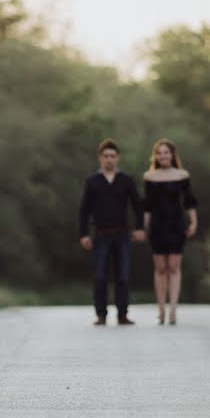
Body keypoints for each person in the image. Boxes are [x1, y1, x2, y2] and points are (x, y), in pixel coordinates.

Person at [78, 138, 145, 326]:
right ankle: (101, 314)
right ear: (100, 158)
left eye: (112, 156)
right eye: (106, 156)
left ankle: (122, 314)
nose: (109, 159)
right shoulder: (92, 181)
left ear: (117, 158)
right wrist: (84, 234)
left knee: (123, 276)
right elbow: (84, 209)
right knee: (100, 276)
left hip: (122, 234)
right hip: (100, 235)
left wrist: (140, 228)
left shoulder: (126, 180)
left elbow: (138, 206)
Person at [142, 138, 198, 325]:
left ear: (172, 155)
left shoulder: (182, 175)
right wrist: (145, 226)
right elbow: (147, 205)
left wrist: (193, 221)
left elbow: (189, 200)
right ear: (155, 156)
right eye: (159, 153)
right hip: (157, 225)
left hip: (176, 224)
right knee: (160, 269)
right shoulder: (149, 177)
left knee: (174, 267)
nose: (163, 156)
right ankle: (161, 309)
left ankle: (173, 308)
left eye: (166, 152)